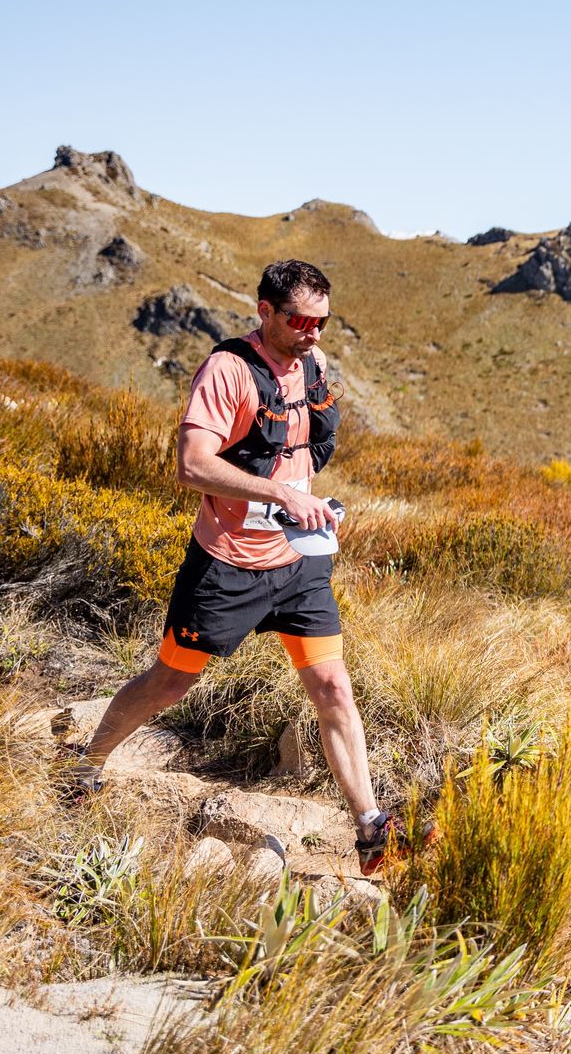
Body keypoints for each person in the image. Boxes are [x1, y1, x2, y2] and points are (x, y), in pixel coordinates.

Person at [68, 260, 412, 875]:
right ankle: (87, 766)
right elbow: (192, 465)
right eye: (300, 320)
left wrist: (305, 502)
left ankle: (370, 826)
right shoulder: (226, 371)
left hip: (298, 564)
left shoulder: (313, 364)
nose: (313, 333)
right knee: (169, 683)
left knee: (333, 687)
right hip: (227, 565)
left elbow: (300, 450)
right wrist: (277, 493)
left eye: (323, 322)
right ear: (265, 312)